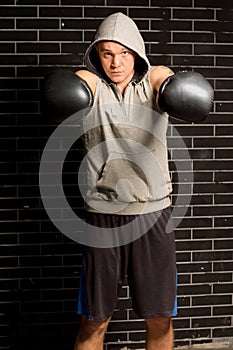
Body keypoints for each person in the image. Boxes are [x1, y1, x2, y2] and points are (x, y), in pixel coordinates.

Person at [41, 12, 213, 350]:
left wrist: (167, 80)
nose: (116, 62)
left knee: (160, 317)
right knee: (94, 319)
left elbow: (161, 76)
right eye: (107, 54)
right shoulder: (92, 87)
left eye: (124, 53)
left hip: (153, 216)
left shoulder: (153, 84)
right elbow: (81, 81)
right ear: (97, 56)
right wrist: (78, 79)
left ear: (137, 53)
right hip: (103, 216)